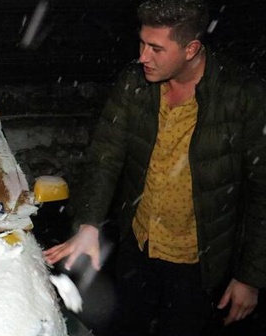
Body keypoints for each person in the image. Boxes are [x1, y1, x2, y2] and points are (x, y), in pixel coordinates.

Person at [42, 0, 266, 335]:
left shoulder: (242, 96)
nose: (143, 56)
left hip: (202, 262)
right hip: (139, 245)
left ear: (191, 48)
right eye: (142, 43)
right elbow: (106, 155)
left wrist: (250, 276)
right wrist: (88, 223)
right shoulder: (135, 84)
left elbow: (263, 189)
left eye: (156, 48)